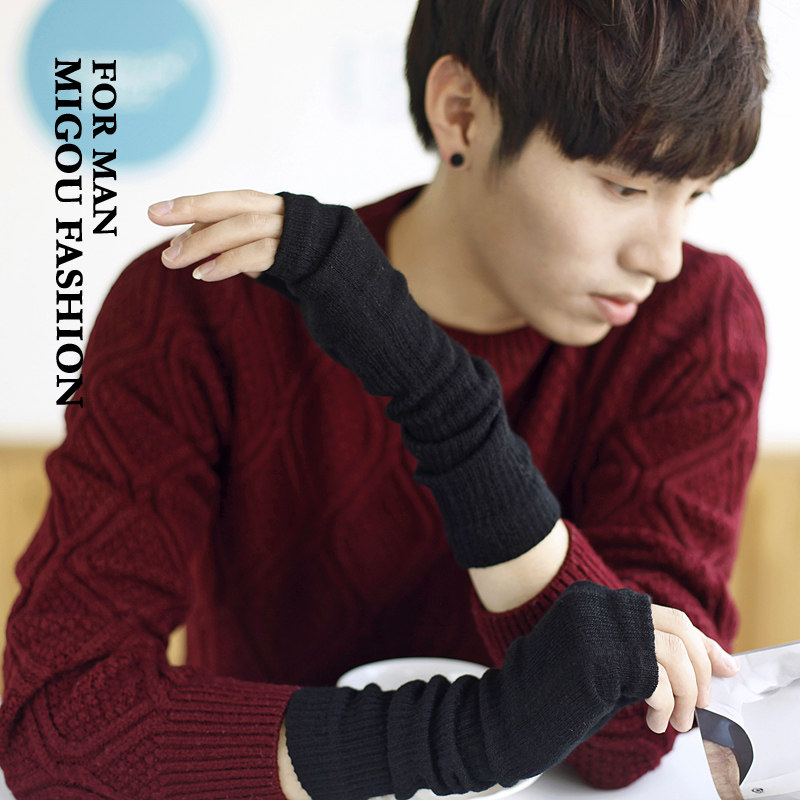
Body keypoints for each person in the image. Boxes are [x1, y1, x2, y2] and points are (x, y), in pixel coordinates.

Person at [0, 0, 767, 797]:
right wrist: (468, 738)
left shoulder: (695, 322)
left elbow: (639, 724)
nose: (662, 257)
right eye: (624, 186)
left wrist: (443, 399)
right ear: (461, 114)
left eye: (696, 194)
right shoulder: (205, 306)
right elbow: (58, 728)